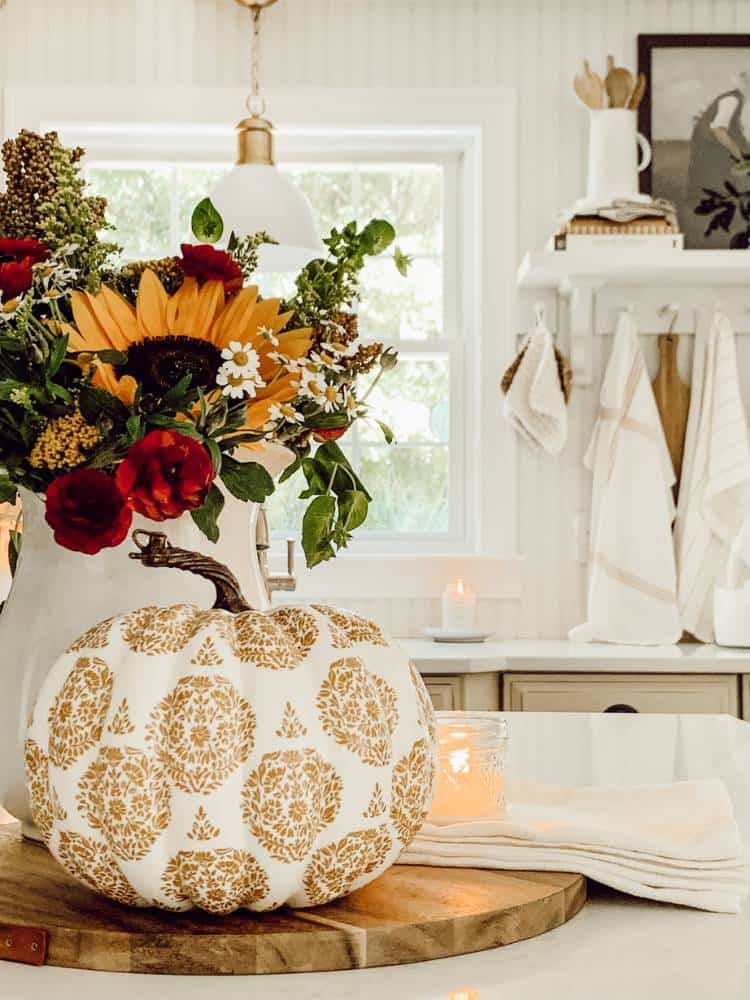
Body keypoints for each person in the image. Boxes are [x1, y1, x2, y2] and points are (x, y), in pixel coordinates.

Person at [685, 71, 750, 246]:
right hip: (712, 150)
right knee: (717, 185)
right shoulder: (732, 100)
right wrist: (739, 155)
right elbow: (719, 130)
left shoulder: (735, 99)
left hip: (710, 149)